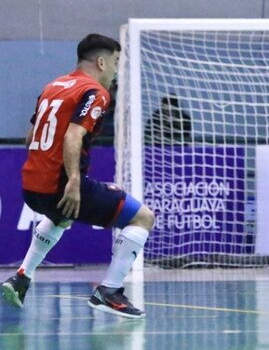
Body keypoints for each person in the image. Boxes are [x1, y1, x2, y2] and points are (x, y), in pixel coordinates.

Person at [1, 34, 155, 319]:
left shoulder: (54, 85)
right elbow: (74, 135)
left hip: (31, 187)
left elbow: (30, 137)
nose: (116, 70)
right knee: (143, 217)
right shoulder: (95, 92)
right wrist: (72, 180)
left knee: (60, 217)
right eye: (116, 62)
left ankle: (21, 277)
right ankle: (109, 291)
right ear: (100, 61)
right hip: (60, 185)